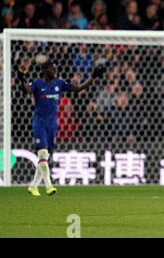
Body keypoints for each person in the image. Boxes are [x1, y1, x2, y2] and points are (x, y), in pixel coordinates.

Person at [16, 61, 105, 196]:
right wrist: (21, 79)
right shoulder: (37, 84)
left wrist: (93, 77)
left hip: (52, 125)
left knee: (45, 157)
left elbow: (79, 88)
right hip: (39, 123)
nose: (55, 71)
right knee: (42, 155)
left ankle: (33, 186)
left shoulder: (59, 83)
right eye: (52, 69)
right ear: (45, 70)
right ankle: (49, 186)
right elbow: (26, 90)